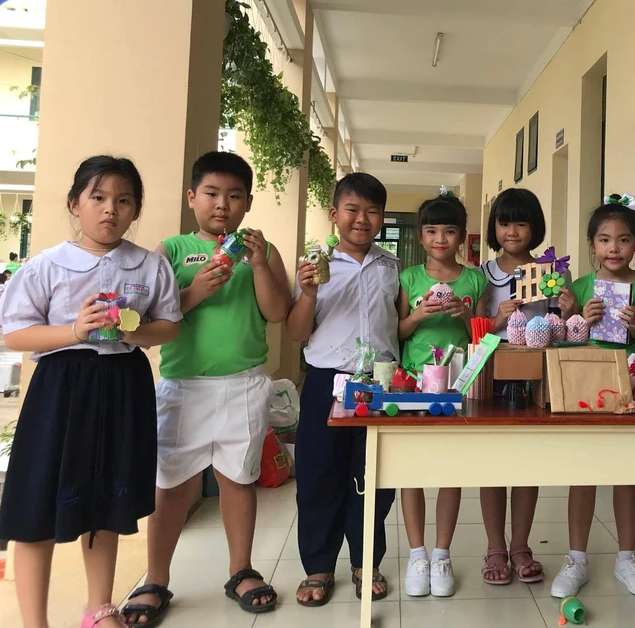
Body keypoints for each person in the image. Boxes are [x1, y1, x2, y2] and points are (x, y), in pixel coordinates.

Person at [0, 156, 182, 628]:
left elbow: (169, 325)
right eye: (97, 198)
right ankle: (34, 622)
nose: (110, 210)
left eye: (124, 201)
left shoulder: (149, 265)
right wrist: (74, 331)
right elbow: (14, 333)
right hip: (60, 389)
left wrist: (135, 332)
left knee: (106, 498)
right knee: (37, 502)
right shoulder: (47, 265)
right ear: (74, 204)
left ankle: (99, 608)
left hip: (123, 385)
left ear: (135, 209)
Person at [123, 151, 292, 624]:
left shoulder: (261, 249)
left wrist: (259, 265)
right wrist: (195, 291)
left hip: (244, 383)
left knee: (238, 480)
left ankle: (241, 571)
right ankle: (155, 580)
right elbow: (149, 319)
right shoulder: (170, 251)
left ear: (248, 203)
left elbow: (278, 312)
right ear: (192, 197)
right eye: (212, 194)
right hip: (184, 386)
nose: (222, 204)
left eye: (234, 196)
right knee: (171, 485)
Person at [287, 172, 399, 606]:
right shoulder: (314, 264)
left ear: (382, 218)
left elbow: (397, 324)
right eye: (353, 209)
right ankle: (318, 566)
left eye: (372, 211)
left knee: (374, 477)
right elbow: (297, 331)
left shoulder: (391, 266)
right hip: (326, 382)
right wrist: (309, 292)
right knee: (319, 475)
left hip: (379, 382)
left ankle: (365, 561)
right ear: (335, 214)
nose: (362, 219)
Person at [554, 193, 635, 599]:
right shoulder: (579, 287)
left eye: (623, 239)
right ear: (592, 244)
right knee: (583, 473)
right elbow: (561, 340)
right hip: (585, 387)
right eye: (604, 240)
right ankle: (576, 558)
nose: (613, 248)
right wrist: (577, 319)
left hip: (630, 391)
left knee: (626, 472)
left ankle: (626, 558)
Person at [479, 188, 572, 586]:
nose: (512, 231)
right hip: (493, 374)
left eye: (521, 223)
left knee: (528, 463)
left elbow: (562, 331)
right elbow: (474, 330)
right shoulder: (483, 274)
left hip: (536, 376)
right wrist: (497, 319)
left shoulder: (552, 273)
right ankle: (494, 547)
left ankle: (520, 546)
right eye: (505, 223)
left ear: (535, 228)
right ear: (494, 227)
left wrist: (568, 311)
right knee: (491, 464)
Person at [397, 191, 488, 597]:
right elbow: (397, 331)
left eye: (449, 231)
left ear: (462, 236)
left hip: (458, 385)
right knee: (411, 470)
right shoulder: (409, 278)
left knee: (451, 469)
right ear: (421, 235)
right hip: (414, 382)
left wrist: (466, 314)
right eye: (432, 231)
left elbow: (482, 337)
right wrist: (417, 315)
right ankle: (417, 553)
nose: (440, 239)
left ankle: (441, 553)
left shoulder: (474, 280)